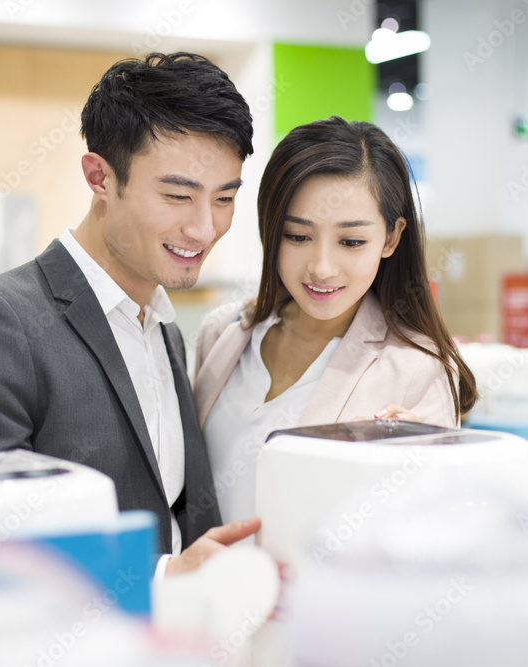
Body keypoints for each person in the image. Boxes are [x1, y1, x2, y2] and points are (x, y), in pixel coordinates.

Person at [0, 53, 259, 575]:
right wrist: (163, 578)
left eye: (225, 199)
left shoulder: (162, 326)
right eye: (176, 195)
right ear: (99, 177)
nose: (204, 229)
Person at [193, 116, 478, 524]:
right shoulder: (221, 333)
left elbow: (430, 529)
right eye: (297, 236)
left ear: (392, 238)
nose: (322, 268)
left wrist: (411, 472)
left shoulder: (418, 370)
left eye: (351, 242)